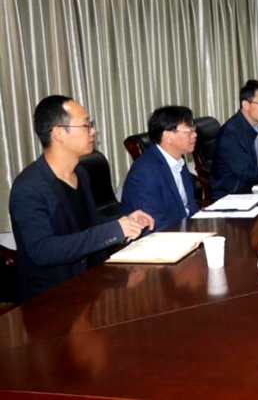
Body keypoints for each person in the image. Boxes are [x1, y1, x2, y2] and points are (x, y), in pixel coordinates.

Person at [9, 95, 154, 303]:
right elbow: (43, 250)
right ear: (58, 133)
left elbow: (85, 226)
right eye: (86, 125)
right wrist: (114, 230)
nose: (93, 131)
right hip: (49, 299)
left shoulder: (81, 173)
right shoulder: (29, 187)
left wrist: (125, 221)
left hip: (90, 286)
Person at [122, 106, 200, 230]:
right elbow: (153, 226)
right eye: (188, 130)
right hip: (163, 237)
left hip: (184, 230)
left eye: (193, 129)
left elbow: (190, 208)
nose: (194, 135)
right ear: (168, 136)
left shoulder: (178, 161)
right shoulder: (145, 173)